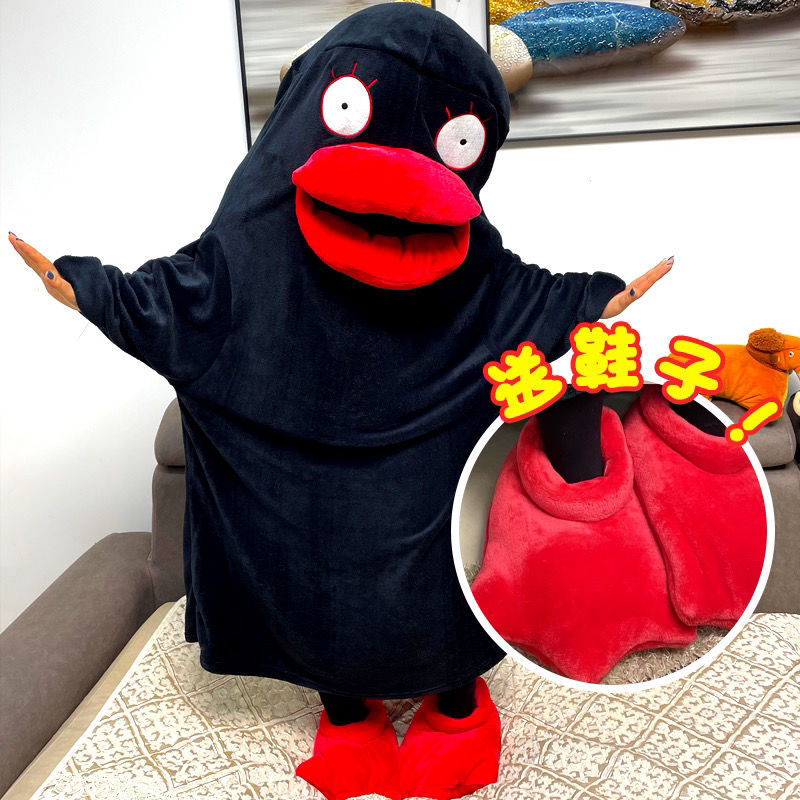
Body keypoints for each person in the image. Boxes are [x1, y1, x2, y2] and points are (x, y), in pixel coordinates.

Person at [8, 4, 671, 799]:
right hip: (297, 496)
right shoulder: (250, 254)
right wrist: (94, 291)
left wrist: (592, 298)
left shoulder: (471, 269)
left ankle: (458, 713)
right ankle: (350, 718)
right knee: (306, 589)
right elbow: (188, 301)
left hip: (427, 489)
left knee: (442, 592)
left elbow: (517, 297)